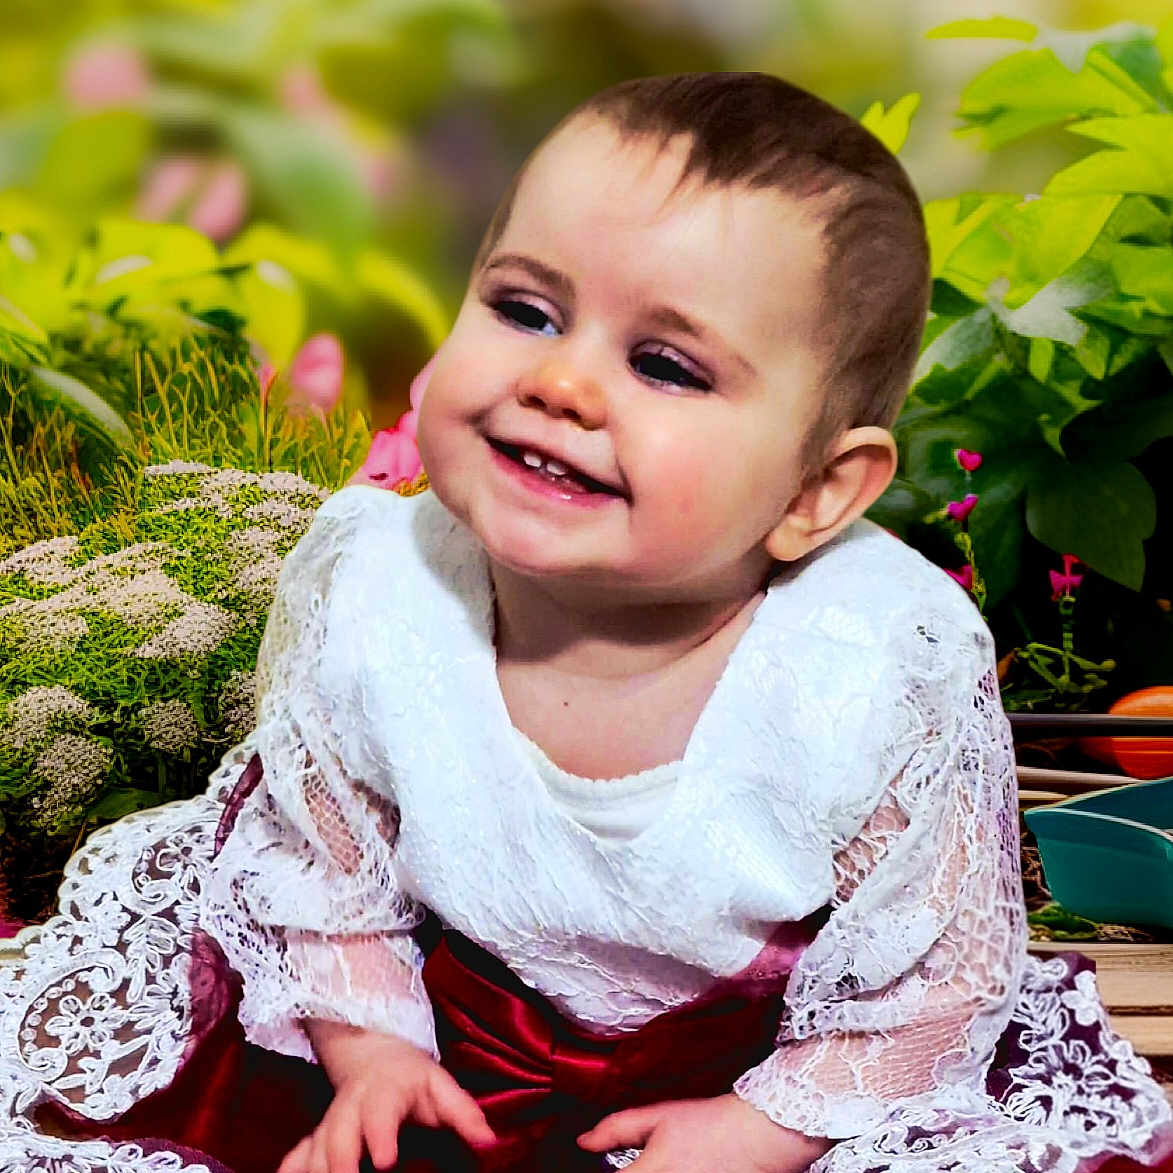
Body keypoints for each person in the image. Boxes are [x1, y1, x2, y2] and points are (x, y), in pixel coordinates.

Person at [2, 73, 1171, 1173]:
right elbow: (330, 867)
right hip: (452, 1043)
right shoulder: (386, 595)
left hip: (781, 1068)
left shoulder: (864, 663)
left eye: (664, 365)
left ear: (815, 493)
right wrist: (374, 1053)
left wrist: (768, 1128)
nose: (563, 383)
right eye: (524, 308)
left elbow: (932, 981)